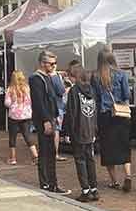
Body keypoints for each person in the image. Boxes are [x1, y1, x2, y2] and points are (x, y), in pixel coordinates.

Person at [29, 51, 70, 194]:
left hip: (52, 117)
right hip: (45, 119)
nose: (53, 66)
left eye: (54, 64)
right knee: (46, 151)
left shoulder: (48, 77)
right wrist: (46, 120)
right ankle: (46, 183)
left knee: (51, 151)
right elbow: (39, 101)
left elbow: (58, 93)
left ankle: (52, 182)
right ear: (42, 63)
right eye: (51, 64)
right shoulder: (36, 79)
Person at [92, 49, 132, 192]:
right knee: (124, 146)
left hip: (104, 115)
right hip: (121, 114)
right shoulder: (122, 74)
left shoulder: (96, 76)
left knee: (108, 149)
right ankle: (128, 175)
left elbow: (95, 98)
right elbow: (127, 94)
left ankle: (114, 181)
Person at [63, 66, 99, 202]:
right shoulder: (92, 90)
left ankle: (85, 190)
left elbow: (71, 113)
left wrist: (67, 132)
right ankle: (94, 189)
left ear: (74, 77)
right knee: (90, 159)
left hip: (78, 129)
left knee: (80, 160)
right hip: (90, 129)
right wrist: (95, 129)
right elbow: (95, 110)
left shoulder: (73, 91)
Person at [4, 70, 38, 165]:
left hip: (14, 116)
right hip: (26, 115)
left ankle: (13, 158)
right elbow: (31, 101)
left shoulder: (10, 89)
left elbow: (7, 103)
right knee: (27, 135)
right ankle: (35, 156)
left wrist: (12, 101)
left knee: (12, 137)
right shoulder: (27, 88)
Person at [51, 69, 68, 162]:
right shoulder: (55, 77)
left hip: (49, 106)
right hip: (57, 106)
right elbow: (61, 91)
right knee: (56, 131)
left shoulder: (43, 76)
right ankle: (55, 154)